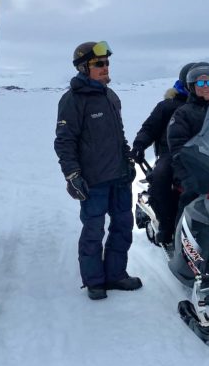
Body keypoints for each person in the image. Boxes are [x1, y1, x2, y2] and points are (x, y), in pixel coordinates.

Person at [54, 41, 142, 300]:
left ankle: (116, 275)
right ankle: (94, 282)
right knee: (93, 230)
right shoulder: (72, 100)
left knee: (123, 226)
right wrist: (72, 175)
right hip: (93, 181)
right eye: (99, 64)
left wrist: (127, 161)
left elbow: (119, 136)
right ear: (84, 68)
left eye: (106, 63)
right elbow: (64, 141)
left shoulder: (110, 96)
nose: (105, 68)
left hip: (119, 178)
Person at [131, 62, 194, 244]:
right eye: (196, 82)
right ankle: (167, 225)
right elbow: (149, 128)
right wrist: (139, 145)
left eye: (205, 83)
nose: (201, 86)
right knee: (160, 178)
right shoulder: (168, 106)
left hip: (206, 153)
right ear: (186, 83)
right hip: (171, 153)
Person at [167, 62, 209, 217]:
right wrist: (190, 158)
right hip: (191, 167)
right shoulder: (182, 114)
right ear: (192, 86)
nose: (205, 86)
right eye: (200, 82)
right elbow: (177, 145)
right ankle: (180, 235)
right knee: (193, 191)